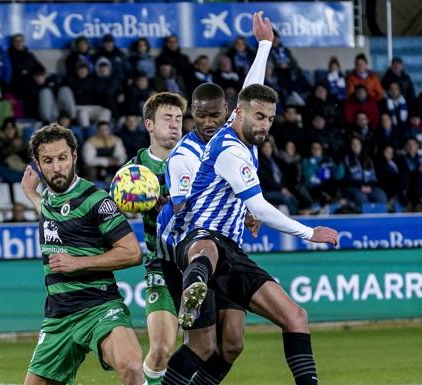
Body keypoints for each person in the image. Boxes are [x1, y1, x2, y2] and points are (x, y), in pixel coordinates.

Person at [161, 83, 338, 385]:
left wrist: (265, 45)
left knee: (283, 322)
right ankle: (195, 285)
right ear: (239, 114)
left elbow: (251, 88)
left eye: (269, 118)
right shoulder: (230, 150)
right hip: (197, 237)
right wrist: (308, 233)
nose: (264, 124)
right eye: (259, 117)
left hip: (232, 250)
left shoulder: (243, 134)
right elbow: (259, 205)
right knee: (207, 253)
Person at [20, 123, 146, 385]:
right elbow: (49, 210)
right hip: (58, 317)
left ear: (74, 157)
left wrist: (78, 263)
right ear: (38, 164)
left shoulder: (97, 201)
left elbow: (132, 253)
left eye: (63, 158)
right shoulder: (48, 200)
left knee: (133, 367)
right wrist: (30, 193)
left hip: (99, 308)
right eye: (48, 160)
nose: (57, 167)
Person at [121, 91, 187, 385]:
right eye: (167, 118)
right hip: (160, 265)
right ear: (149, 124)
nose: (175, 125)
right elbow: (114, 213)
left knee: (202, 351)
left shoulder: (194, 162)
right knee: (160, 350)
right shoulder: (133, 172)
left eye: (179, 119)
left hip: (198, 263)